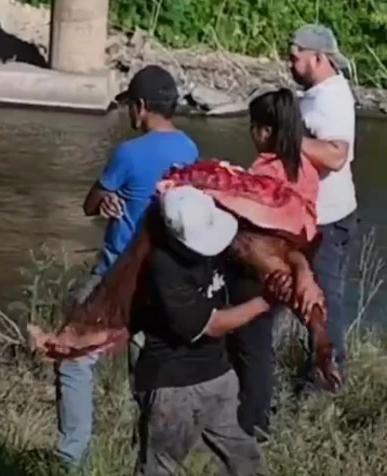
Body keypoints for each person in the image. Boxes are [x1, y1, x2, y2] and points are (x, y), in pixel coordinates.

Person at [56, 65, 199, 469]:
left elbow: (89, 204)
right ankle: (152, 463)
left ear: (140, 107)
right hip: (163, 279)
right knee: (149, 380)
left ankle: (72, 460)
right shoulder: (190, 150)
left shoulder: (129, 154)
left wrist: (104, 201)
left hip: (116, 278)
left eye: (130, 108)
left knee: (73, 356)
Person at [134, 185, 266, 476]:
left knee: (246, 461)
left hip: (219, 375)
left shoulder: (214, 245)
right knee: (162, 468)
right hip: (173, 385)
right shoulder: (163, 267)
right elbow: (213, 326)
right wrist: (266, 301)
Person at [225, 87, 322, 441]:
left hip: (255, 267)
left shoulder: (265, 168)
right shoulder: (305, 167)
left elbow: (250, 217)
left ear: (265, 130)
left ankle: (251, 425)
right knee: (261, 343)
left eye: (253, 127)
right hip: (290, 265)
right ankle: (259, 416)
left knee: (249, 347)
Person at [288, 24, 359, 392]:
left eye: (294, 56)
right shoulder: (318, 93)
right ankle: (317, 370)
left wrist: (289, 138)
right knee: (314, 297)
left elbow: (335, 155)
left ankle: (326, 381)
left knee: (324, 301)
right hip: (320, 216)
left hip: (329, 222)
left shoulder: (331, 97)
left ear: (317, 57)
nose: (289, 62)